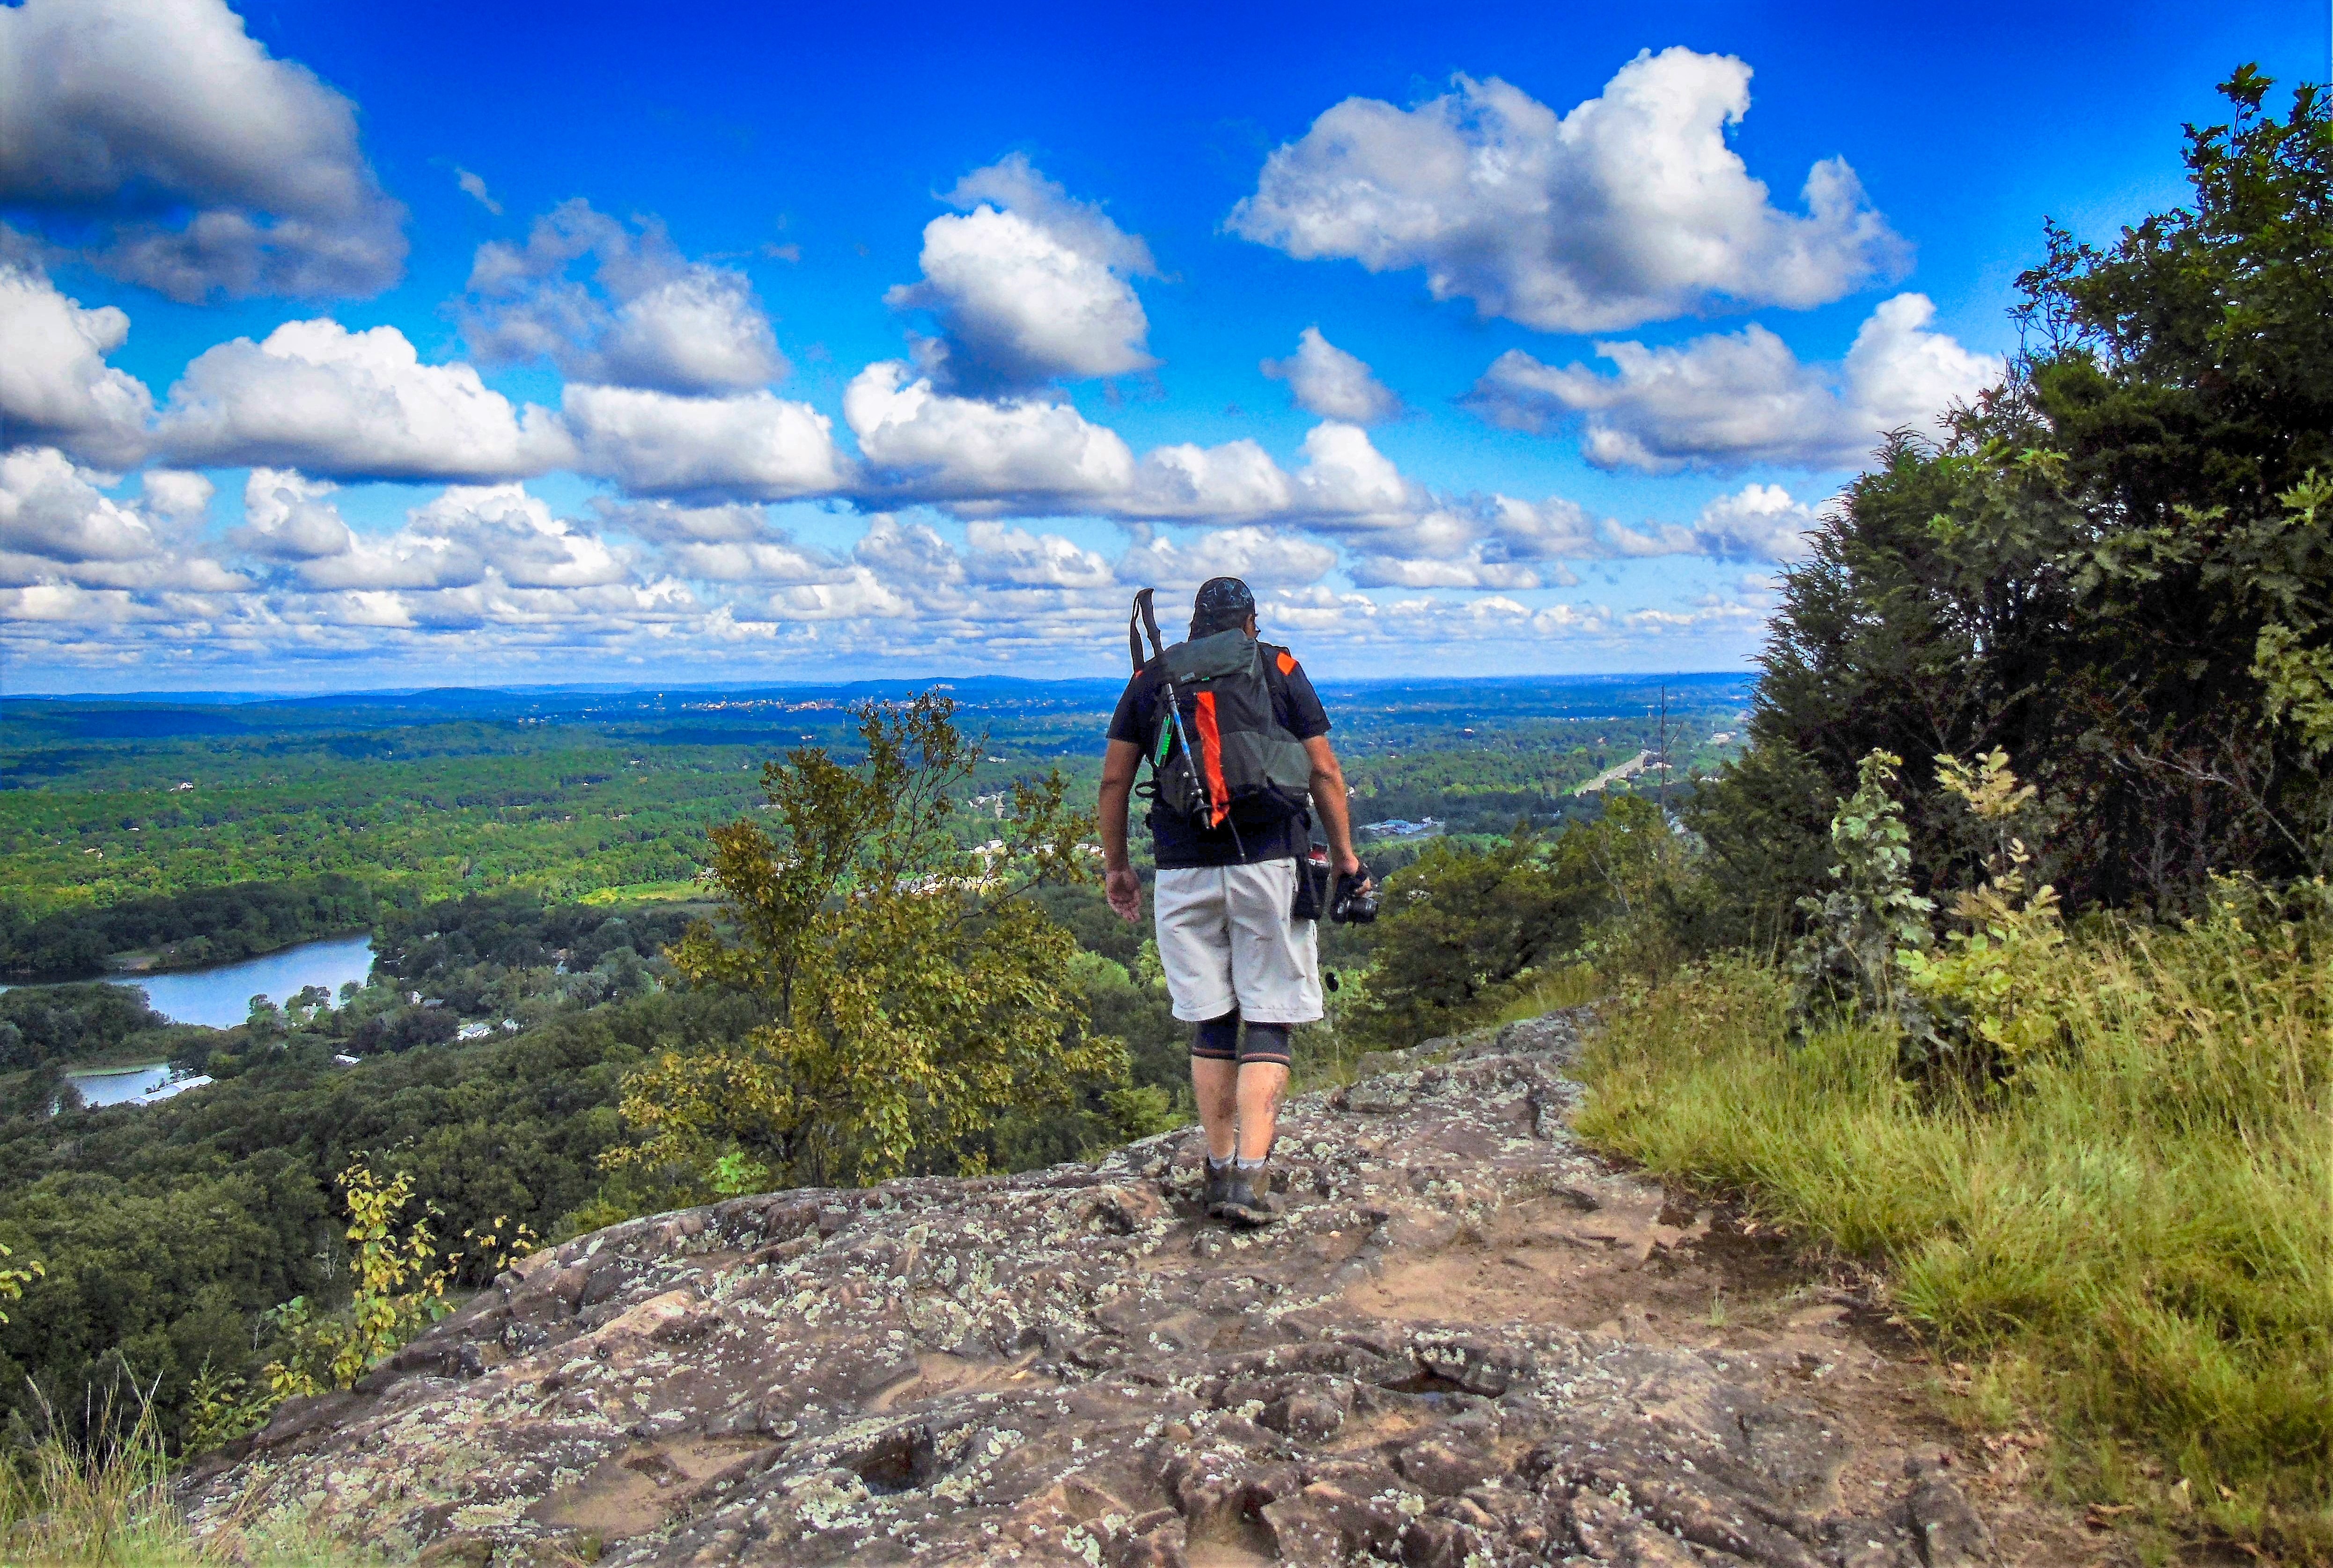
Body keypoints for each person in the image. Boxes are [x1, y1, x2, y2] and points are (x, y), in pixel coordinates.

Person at [1098, 577, 1370, 1225]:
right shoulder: (1276, 665)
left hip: (1184, 869)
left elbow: (1115, 779)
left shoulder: (1153, 678)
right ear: (1249, 621)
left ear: (1195, 623)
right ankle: (1250, 1177)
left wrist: (1118, 867)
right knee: (1269, 1016)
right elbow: (1324, 770)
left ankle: (1217, 1168)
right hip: (1271, 861)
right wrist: (1347, 861)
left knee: (1213, 1020)